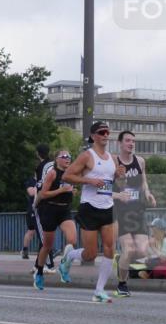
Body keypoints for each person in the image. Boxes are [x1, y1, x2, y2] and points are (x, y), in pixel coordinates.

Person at [59, 121, 120, 303]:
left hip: (107, 206)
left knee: (110, 249)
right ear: (93, 136)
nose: (105, 135)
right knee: (90, 254)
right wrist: (89, 181)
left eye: (108, 132)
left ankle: (99, 290)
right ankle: (69, 257)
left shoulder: (113, 158)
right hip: (89, 208)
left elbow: (110, 181)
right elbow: (67, 176)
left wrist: (118, 175)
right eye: (102, 132)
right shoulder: (87, 156)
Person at [112, 130, 157, 297]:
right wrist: (117, 195)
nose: (131, 144)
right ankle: (122, 285)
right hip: (119, 213)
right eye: (127, 141)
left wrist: (148, 194)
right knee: (129, 249)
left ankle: (120, 261)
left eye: (133, 141)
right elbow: (101, 189)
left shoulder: (140, 161)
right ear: (120, 143)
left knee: (142, 251)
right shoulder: (113, 161)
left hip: (137, 211)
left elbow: (144, 182)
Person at [31, 150, 77, 290]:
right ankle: (39, 272)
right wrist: (61, 191)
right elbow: (43, 193)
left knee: (72, 239)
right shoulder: (52, 173)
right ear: (57, 159)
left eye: (69, 156)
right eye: (63, 156)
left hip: (64, 210)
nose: (67, 158)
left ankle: (64, 266)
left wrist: (72, 192)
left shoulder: (71, 173)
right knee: (47, 245)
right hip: (49, 210)